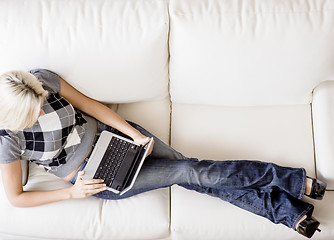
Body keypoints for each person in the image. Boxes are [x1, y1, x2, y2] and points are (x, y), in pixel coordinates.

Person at [0, 69, 327, 238]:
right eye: (35, 110)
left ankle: (290, 213)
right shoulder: (7, 139)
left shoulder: (40, 80)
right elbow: (16, 197)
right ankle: (291, 182)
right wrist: (73, 193)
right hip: (93, 174)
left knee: (195, 174)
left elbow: (91, 106)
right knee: (190, 172)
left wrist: (132, 133)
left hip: (114, 135)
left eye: (42, 99)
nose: (43, 106)